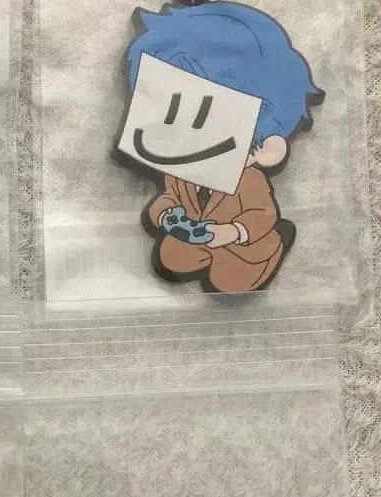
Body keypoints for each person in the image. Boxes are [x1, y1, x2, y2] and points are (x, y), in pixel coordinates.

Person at [116, 2, 324, 292]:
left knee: (230, 279)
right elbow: (168, 197)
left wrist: (232, 232)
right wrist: (165, 215)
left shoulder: (248, 179)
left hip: (243, 244)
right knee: (171, 257)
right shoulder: (180, 171)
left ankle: (277, 241)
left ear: (267, 145)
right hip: (197, 236)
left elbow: (261, 214)